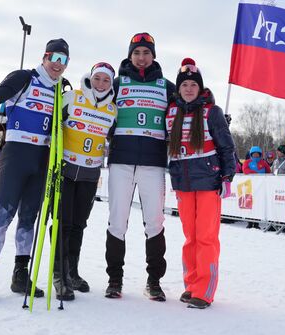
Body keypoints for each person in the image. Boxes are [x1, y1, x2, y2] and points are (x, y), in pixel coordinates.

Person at [0, 38, 70, 304]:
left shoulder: (61, 91)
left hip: (42, 158)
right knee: (4, 215)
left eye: (64, 60)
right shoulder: (25, 78)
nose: (58, 64)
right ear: (45, 57)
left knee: (28, 218)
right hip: (17, 154)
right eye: (54, 57)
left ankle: (20, 276)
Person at [105, 32, 176, 301]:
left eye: (146, 52)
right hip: (121, 162)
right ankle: (114, 279)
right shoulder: (117, 83)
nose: (141, 57)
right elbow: (95, 106)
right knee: (117, 221)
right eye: (137, 53)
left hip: (153, 164)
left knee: (155, 222)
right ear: (130, 55)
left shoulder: (166, 86)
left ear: (153, 55)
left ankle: (154, 281)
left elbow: (184, 108)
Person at [166, 58, 235, 309]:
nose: (189, 89)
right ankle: (191, 283)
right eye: (184, 84)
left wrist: (228, 176)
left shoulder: (212, 112)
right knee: (190, 237)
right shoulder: (171, 111)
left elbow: (227, 147)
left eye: (193, 84)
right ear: (179, 88)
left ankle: (204, 290)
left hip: (208, 181)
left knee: (206, 237)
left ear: (200, 87)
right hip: (183, 182)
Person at [52, 62, 118, 301]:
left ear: (111, 84)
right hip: (66, 169)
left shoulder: (113, 110)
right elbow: (52, 125)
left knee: (79, 224)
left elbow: (114, 138)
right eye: (98, 78)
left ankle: (72, 271)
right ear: (91, 79)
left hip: (90, 174)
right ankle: (59, 274)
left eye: (106, 80)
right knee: (63, 222)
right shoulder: (72, 97)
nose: (101, 84)